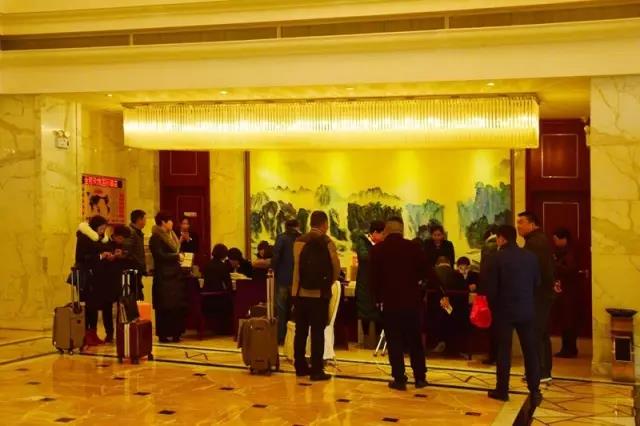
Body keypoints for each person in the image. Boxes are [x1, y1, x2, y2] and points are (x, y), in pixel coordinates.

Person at [370, 216, 428, 391]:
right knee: (415, 341)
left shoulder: (378, 250)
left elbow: (374, 279)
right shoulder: (414, 247)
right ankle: (420, 377)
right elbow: (425, 272)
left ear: (386, 231)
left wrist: (377, 300)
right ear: (402, 230)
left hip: (390, 303)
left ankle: (399, 378)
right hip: (412, 302)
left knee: (394, 341)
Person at [487, 225, 542, 405]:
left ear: (501, 238)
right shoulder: (530, 257)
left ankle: (502, 390)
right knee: (530, 350)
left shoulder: (496, 258)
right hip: (526, 309)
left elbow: (491, 288)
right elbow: (537, 283)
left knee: (504, 350)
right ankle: (535, 390)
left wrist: (493, 308)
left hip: (503, 311)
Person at [291, 211, 340, 381]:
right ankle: (317, 369)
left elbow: (296, 267)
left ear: (311, 223)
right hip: (319, 295)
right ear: (324, 224)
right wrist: (328, 283)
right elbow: (336, 267)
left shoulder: (299, 241)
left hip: (300, 294)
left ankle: (300, 366)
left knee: (300, 331)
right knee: (317, 332)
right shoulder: (327, 242)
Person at [517, 211, 555, 383]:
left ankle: (539, 371)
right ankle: (542, 371)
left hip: (537, 295)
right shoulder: (538, 240)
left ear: (532, 224)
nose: (518, 226)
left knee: (535, 333)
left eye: (521, 222)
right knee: (541, 333)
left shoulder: (535, 243)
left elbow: (533, 271)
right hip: (541, 294)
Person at [150, 211, 187, 343]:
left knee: (176, 306)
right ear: (163, 222)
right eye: (170, 221)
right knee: (165, 306)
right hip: (164, 276)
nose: (172, 223)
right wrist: (176, 256)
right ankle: (164, 334)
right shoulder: (156, 237)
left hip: (175, 276)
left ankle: (176, 332)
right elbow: (159, 255)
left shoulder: (172, 235)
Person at [74, 215, 111, 346]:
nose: (103, 230)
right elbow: (81, 257)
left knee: (94, 307)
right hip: (87, 278)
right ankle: (86, 335)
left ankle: (93, 333)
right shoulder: (84, 238)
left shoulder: (102, 239)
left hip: (98, 278)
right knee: (88, 307)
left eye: (104, 227)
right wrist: (100, 256)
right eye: (101, 227)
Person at [271, 219, 302, 344]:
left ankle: (281, 337)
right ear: (297, 226)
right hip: (297, 281)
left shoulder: (281, 238)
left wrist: (272, 269)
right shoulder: (301, 239)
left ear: (286, 227)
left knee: (281, 309)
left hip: (283, 279)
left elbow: (276, 256)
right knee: (296, 310)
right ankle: (295, 338)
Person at [354, 220, 385, 344]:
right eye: (382, 234)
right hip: (364, 284)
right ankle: (366, 341)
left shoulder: (381, 245)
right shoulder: (362, 241)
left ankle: (378, 341)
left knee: (379, 314)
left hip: (377, 285)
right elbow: (363, 256)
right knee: (364, 313)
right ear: (375, 233)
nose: (383, 237)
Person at [102, 224, 133, 343]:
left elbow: (131, 259)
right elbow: (100, 260)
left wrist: (123, 256)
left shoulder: (125, 245)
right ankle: (109, 333)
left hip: (121, 280)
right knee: (107, 307)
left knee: (122, 307)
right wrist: (109, 257)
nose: (122, 241)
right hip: (107, 280)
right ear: (114, 236)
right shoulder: (105, 243)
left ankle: (121, 332)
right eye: (120, 238)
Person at [552, 228, 580, 358]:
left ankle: (569, 349)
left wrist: (554, 264)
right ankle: (568, 348)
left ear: (564, 239)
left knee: (568, 320)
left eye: (556, 239)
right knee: (566, 320)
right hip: (566, 291)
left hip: (569, 292)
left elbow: (569, 269)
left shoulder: (569, 253)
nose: (555, 242)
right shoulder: (564, 252)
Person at [479, 225, 499, 365]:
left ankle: (493, 355)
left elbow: (485, 271)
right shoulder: (502, 246)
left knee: (492, 326)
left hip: (490, 291)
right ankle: (500, 356)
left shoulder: (488, 247)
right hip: (503, 293)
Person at [125, 209, 147, 300]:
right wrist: (138, 265)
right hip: (133, 271)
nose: (145, 222)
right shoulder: (131, 233)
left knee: (138, 295)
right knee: (135, 296)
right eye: (144, 219)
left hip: (137, 270)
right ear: (139, 220)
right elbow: (128, 252)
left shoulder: (138, 233)